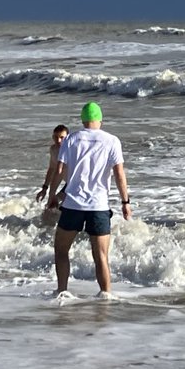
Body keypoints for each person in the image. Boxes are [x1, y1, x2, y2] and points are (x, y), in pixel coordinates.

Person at [47, 102, 131, 297]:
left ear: (83, 120)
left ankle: (62, 291)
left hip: (73, 205)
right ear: (100, 120)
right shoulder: (112, 141)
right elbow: (119, 173)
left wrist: (52, 196)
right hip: (99, 206)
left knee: (61, 250)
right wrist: (125, 202)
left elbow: (59, 170)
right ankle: (106, 294)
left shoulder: (71, 139)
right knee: (101, 256)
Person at [36, 124, 69, 205]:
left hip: (78, 184)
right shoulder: (53, 149)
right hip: (68, 184)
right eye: (56, 137)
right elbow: (52, 169)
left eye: (62, 137)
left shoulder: (71, 149)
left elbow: (60, 172)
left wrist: (52, 193)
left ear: (68, 137)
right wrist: (44, 189)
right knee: (52, 206)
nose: (58, 140)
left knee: (57, 205)